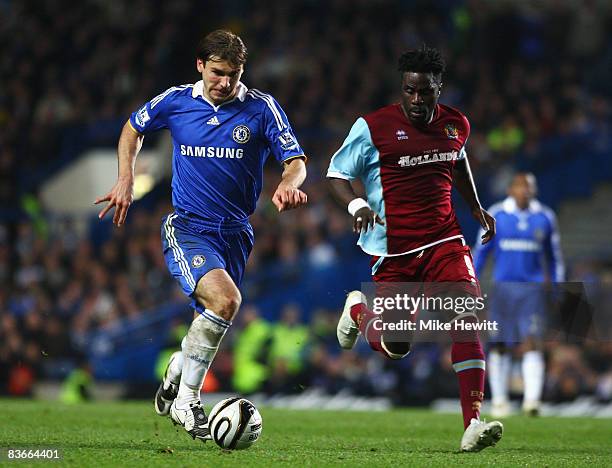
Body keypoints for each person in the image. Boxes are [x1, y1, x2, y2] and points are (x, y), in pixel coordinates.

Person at [95, 30, 308, 441]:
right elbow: (131, 128)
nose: (224, 82)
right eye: (217, 72)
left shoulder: (261, 108)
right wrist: (126, 177)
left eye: (233, 74)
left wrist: (288, 182)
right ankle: (187, 400)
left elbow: (296, 159)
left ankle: (178, 368)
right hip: (189, 226)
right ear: (200, 66)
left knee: (211, 317)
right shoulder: (176, 101)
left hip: (236, 233)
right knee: (226, 300)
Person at [327, 45, 503, 452]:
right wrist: (357, 203)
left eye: (426, 92)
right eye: (410, 91)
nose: (418, 100)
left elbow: (457, 161)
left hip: (445, 239)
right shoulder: (372, 127)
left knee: (466, 315)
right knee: (396, 346)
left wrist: (475, 206)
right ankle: (358, 309)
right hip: (393, 250)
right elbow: (336, 174)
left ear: (439, 88)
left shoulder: (456, 123)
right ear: (402, 87)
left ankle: (472, 423)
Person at [473, 173, 564, 417]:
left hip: (532, 291)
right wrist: (471, 281)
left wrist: (557, 287)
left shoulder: (545, 217)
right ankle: (500, 401)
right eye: (522, 186)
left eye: (530, 187)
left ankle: (532, 401)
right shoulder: (496, 214)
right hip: (503, 288)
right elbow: (480, 253)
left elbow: (554, 258)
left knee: (532, 342)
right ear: (511, 189)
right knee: (499, 344)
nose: (526, 191)